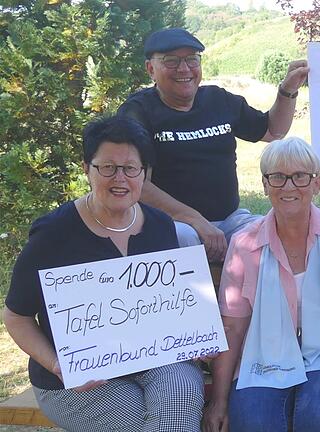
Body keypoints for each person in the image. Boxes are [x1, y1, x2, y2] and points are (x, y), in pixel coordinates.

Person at [3, 116, 204, 431]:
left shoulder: (160, 226)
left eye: (130, 168)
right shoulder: (53, 234)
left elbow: (174, 307)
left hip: (153, 358)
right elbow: (16, 317)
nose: (119, 178)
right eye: (107, 167)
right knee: (140, 423)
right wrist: (58, 365)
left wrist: (197, 336)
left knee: (178, 401)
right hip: (78, 376)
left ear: (144, 173)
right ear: (87, 168)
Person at [202, 137, 320, 432]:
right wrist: (218, 400)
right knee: (252, 423)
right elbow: (233, 327)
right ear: (266, 185)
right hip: (263, 359)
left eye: (300, 176)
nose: (289, 186)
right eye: (278, 177)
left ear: (316, 183)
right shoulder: (245, 243)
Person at [118, 28, 309, 261]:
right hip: (172, 223)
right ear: (151, 69)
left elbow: (272, 131)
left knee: (271, 236)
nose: (184, 69)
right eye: (171, 61)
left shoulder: (218, 100)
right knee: (185, 239)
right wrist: (194, 220)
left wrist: (287, 90)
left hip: (230, 219)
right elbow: (136, 183)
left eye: (192, 59)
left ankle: (249, 298)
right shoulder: (138, 111)